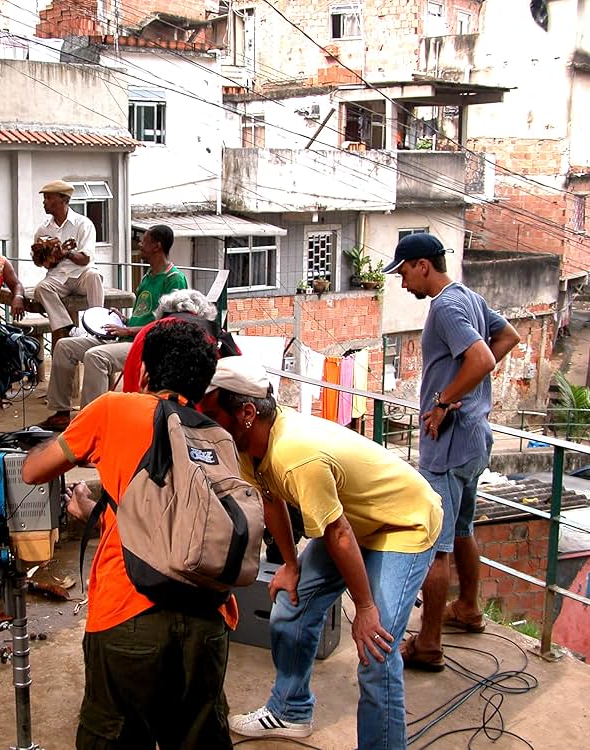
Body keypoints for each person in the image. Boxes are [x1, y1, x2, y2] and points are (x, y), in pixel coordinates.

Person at [199, 355, 442, 749]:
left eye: (211, 412)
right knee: (290, 609)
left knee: (376, 650)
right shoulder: (249, 443)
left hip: (404, 523)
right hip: (352, 521)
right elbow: (271, 499)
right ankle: (290, 710)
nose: (205, 420)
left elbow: (338, 534)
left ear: (245, 411)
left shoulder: (295, 454)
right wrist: (291, 565)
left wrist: (364, 609)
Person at [22, 320, 235, 750]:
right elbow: (180, 521)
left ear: (148, 372)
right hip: (207, 620)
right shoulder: (218, 437)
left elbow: (33, 470)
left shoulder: (113, 408)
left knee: (115, 735)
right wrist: (98, 513)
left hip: (128, 614)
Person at [384, 233, 520, 670]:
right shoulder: (469, 298)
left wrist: (444, 401)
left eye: (404, 272)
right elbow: (508, 337)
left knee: (436, 546)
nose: (403, 283)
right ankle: (469, 608)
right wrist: (469, 387)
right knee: (462, 529)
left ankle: (429, 644)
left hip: (448, 442)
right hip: (474, 438)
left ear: (423, 265)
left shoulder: (445, 305)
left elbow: (482, 358)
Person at [38, 225, 186, 431]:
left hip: (148, 344)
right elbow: (142, 316)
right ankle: (61, 412)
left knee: (95, 356)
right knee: (64, 346)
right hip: (127, 337)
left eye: (145, 240)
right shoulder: (147, 276)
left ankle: (92, 425)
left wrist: (129, 331)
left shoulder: (174, 279)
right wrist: (123, 321)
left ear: (157, 246)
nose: (140, 244)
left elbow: (170, 324)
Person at [32, 180, 104, 348]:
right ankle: (70, 328)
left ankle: (97, 326)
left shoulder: (83, 224)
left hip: (81, 275)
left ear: (63, 200)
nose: (44, 202)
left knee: (94, 275)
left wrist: (66, 253)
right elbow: (41, 264)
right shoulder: (43, 230)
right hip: (58, 277)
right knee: (41, 288)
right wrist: (42, 256)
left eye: (49, 198)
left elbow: (85, 259)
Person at [121, 288, 237, 393]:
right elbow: (235, 368)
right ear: (203, 314)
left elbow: (131, 377)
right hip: (196, 409)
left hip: (145, 405)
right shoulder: (211, 331)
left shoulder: (146, 331)